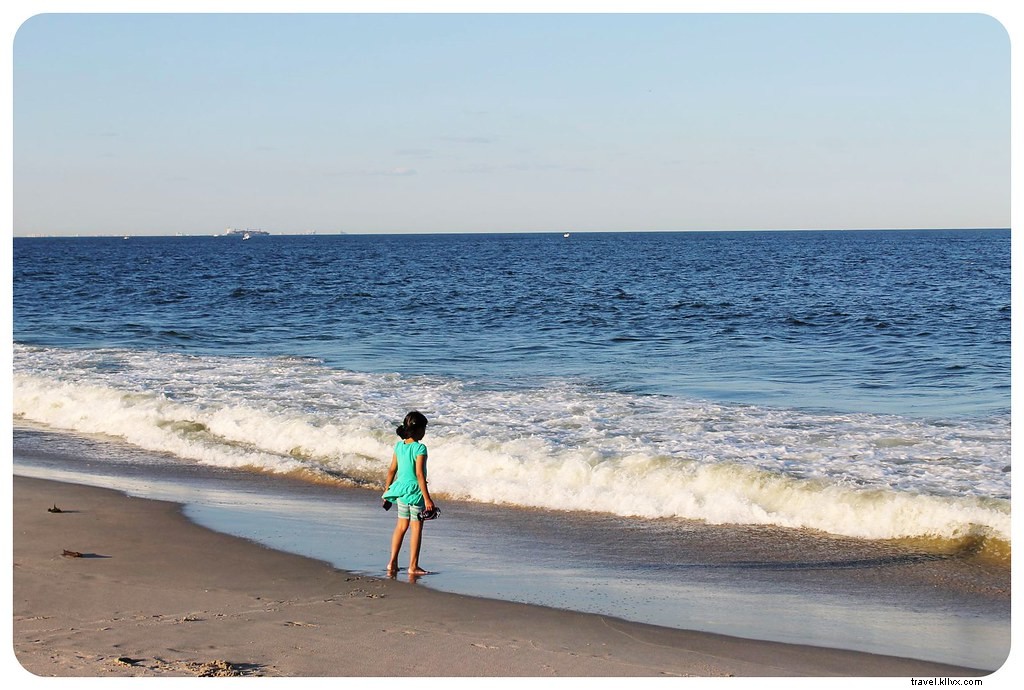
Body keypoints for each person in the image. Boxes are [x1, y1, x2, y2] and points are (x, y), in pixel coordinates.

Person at [382, 411, 436, 576]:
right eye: (424, 428)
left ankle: (392, 562)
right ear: (418, 430)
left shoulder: (399, 446)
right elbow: (419, 475)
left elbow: (392, 470)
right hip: (416, 493)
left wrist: (387, 492)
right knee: (416, 528)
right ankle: (413, 566)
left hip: (400, 491)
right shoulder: (420, 448)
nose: (424, 432)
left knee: (401, 526)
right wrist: (427, 499)